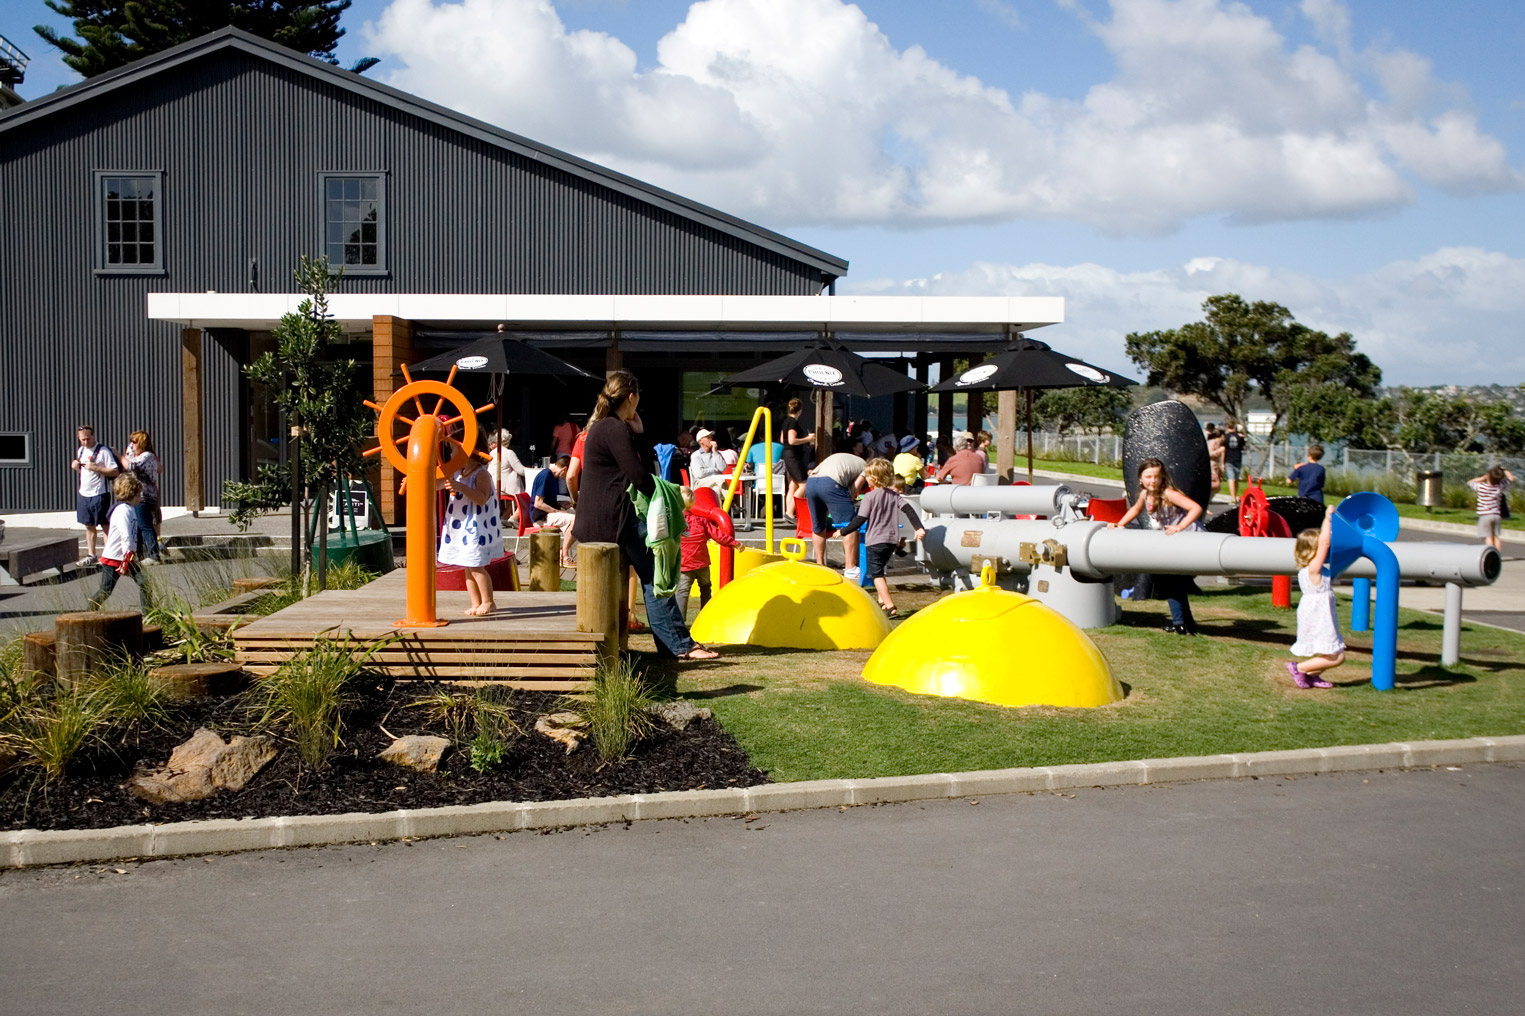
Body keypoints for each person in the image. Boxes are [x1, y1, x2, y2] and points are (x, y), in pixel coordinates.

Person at [571, 370, 718, 660]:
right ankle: (679, 646)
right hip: (616, 520)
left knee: (653, 575)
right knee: (657, 575)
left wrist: (637, 434)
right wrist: (670, 494)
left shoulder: (603, 427)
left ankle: (674, 644)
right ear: (632, 397)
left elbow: (633, 467)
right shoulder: (613, 428)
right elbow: (639, 476)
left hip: (599, 520)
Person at [1109, 457, 1205, 634]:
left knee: (1171, 582)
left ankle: (1180, 623)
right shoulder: (1145, 495)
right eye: (1148, 477)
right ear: (1141, 479)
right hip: (1172, 541)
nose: (1152, 481)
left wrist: (1180, 526)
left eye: (1156, 477)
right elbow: (1136, 509)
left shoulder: (1168, 493)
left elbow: (1195, 508)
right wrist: (1120, 524)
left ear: (1162, 478)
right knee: (1173, 583)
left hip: (1187, 539)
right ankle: (1185, 624)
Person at [831, 458, 924, 618]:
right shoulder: (894, 496)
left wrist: (843, 531)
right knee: (880, 571)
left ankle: (890, 606)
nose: (865, 479)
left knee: (876, 575)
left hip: (875, 540)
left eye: (867, 476)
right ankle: (882, 600)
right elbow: (909, 510)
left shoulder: (869, 497)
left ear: (873, 479)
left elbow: (860, 519)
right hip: (891, 541)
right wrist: (918, 527)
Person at [1286, 507, 1343, 689]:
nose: (1326, 549)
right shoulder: (1313, 569)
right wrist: (1327, 519)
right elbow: (1325, 544)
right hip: (1319, 616)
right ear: (1314, 550)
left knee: (1328, 651)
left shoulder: (1310, 569)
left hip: (1318, 614)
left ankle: (1311, 676)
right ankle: (1299, 668)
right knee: (1337, 655)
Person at [89, 473, 148, 611]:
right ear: (132, 494)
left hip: (128, 557)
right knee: (106, 590)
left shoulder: (130, 509)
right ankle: (89, 611)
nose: (140, 497)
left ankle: (149, 614)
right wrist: (128, 557)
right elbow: (125, 535)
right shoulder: (123, 511)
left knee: (145, 583)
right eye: (139, 494)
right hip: (116, 557)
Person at [676, 486, 739, 613]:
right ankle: (705, 615)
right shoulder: (701, 521)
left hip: (684, 565)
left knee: (682, 593)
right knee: (705, 589)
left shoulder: (675, 523)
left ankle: (679, 622)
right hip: (702, 564)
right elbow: (719, 536)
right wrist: (734, 543)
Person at [805, 450, 868, 575]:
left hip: (811, 483)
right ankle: (850, 568)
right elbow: (853, 490)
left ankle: (820, 565)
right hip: (831, 484)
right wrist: (851, 498)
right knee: (849, 525)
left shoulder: (842, 458)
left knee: (818, 526)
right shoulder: (866, 466)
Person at [71, 424, 120, 567]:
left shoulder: (103, 451)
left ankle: (108, 555)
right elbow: (85, 472)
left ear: (93, 436)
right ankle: (91, 555)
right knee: (89, 525)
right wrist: (76, 468)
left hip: (100, 493)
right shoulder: (81, 451)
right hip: (84, 493)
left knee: (105, 525)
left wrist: (97, 468)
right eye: (82, 440)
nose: (85, 442)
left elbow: (115, 471)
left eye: (88, 439)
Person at [123, 430, 162, 564]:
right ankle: (139, 554)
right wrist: (128, 454)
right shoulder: (139, 455)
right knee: (138, 525)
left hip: (145, 496)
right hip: (138, 496)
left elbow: (131, 466)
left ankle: (153, 554)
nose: (132, 445)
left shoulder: (148, 456)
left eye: (134, 442)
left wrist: (118, 455)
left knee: (145, 525)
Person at [531, 454, 577, 565]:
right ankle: (564, 554)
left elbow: (547, 500)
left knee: (580, 520)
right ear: (565, 469)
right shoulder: (546, 476)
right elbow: (538, 503)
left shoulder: (552, 476)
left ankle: (562, 552)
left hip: (546, 513)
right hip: (541, 516)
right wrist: (558, 511)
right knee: (576, 520)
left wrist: (561, 504)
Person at [1467, 465, 1516, 552]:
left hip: (1485, 515)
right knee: (1496, 536)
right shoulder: (1500, 487)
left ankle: (1491, 553)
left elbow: (1470, 482)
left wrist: (1483, 478)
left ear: (1488, 476)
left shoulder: (1481, 487)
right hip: (1496, 515)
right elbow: (1511, 478)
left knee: (1488, 537)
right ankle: (1498, 554)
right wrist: (1505, 469)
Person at [780, 399, 813, 520]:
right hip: (794, 456)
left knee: (793, 485)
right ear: (800, 410)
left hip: (787, 454)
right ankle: (789, 512)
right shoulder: (793, 423)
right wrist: (807, 439)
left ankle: (788, 512)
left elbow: (782, 440)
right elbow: (792, 440)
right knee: (803, 485)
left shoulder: (785, 422)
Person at [1222, 419, 1246, 499]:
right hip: (1238, 458)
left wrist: (1222, 462)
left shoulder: (1225, 437)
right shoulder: (1239, 437)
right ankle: (1235, 495)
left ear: (1227, 427)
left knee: (1231, 478)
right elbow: (1243, 447)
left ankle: (1233, 497)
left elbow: (1224, 449)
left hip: (1228, 459)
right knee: (1236, 479)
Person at [1205, 423, 1224, 496]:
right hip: (1211, 465)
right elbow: (1208, 453)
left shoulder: (1218, 444)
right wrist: (1218, 451)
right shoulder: (1213, 442)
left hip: (1215, 466)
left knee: (1217, 486)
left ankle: (1208, 498)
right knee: (1216, 485)